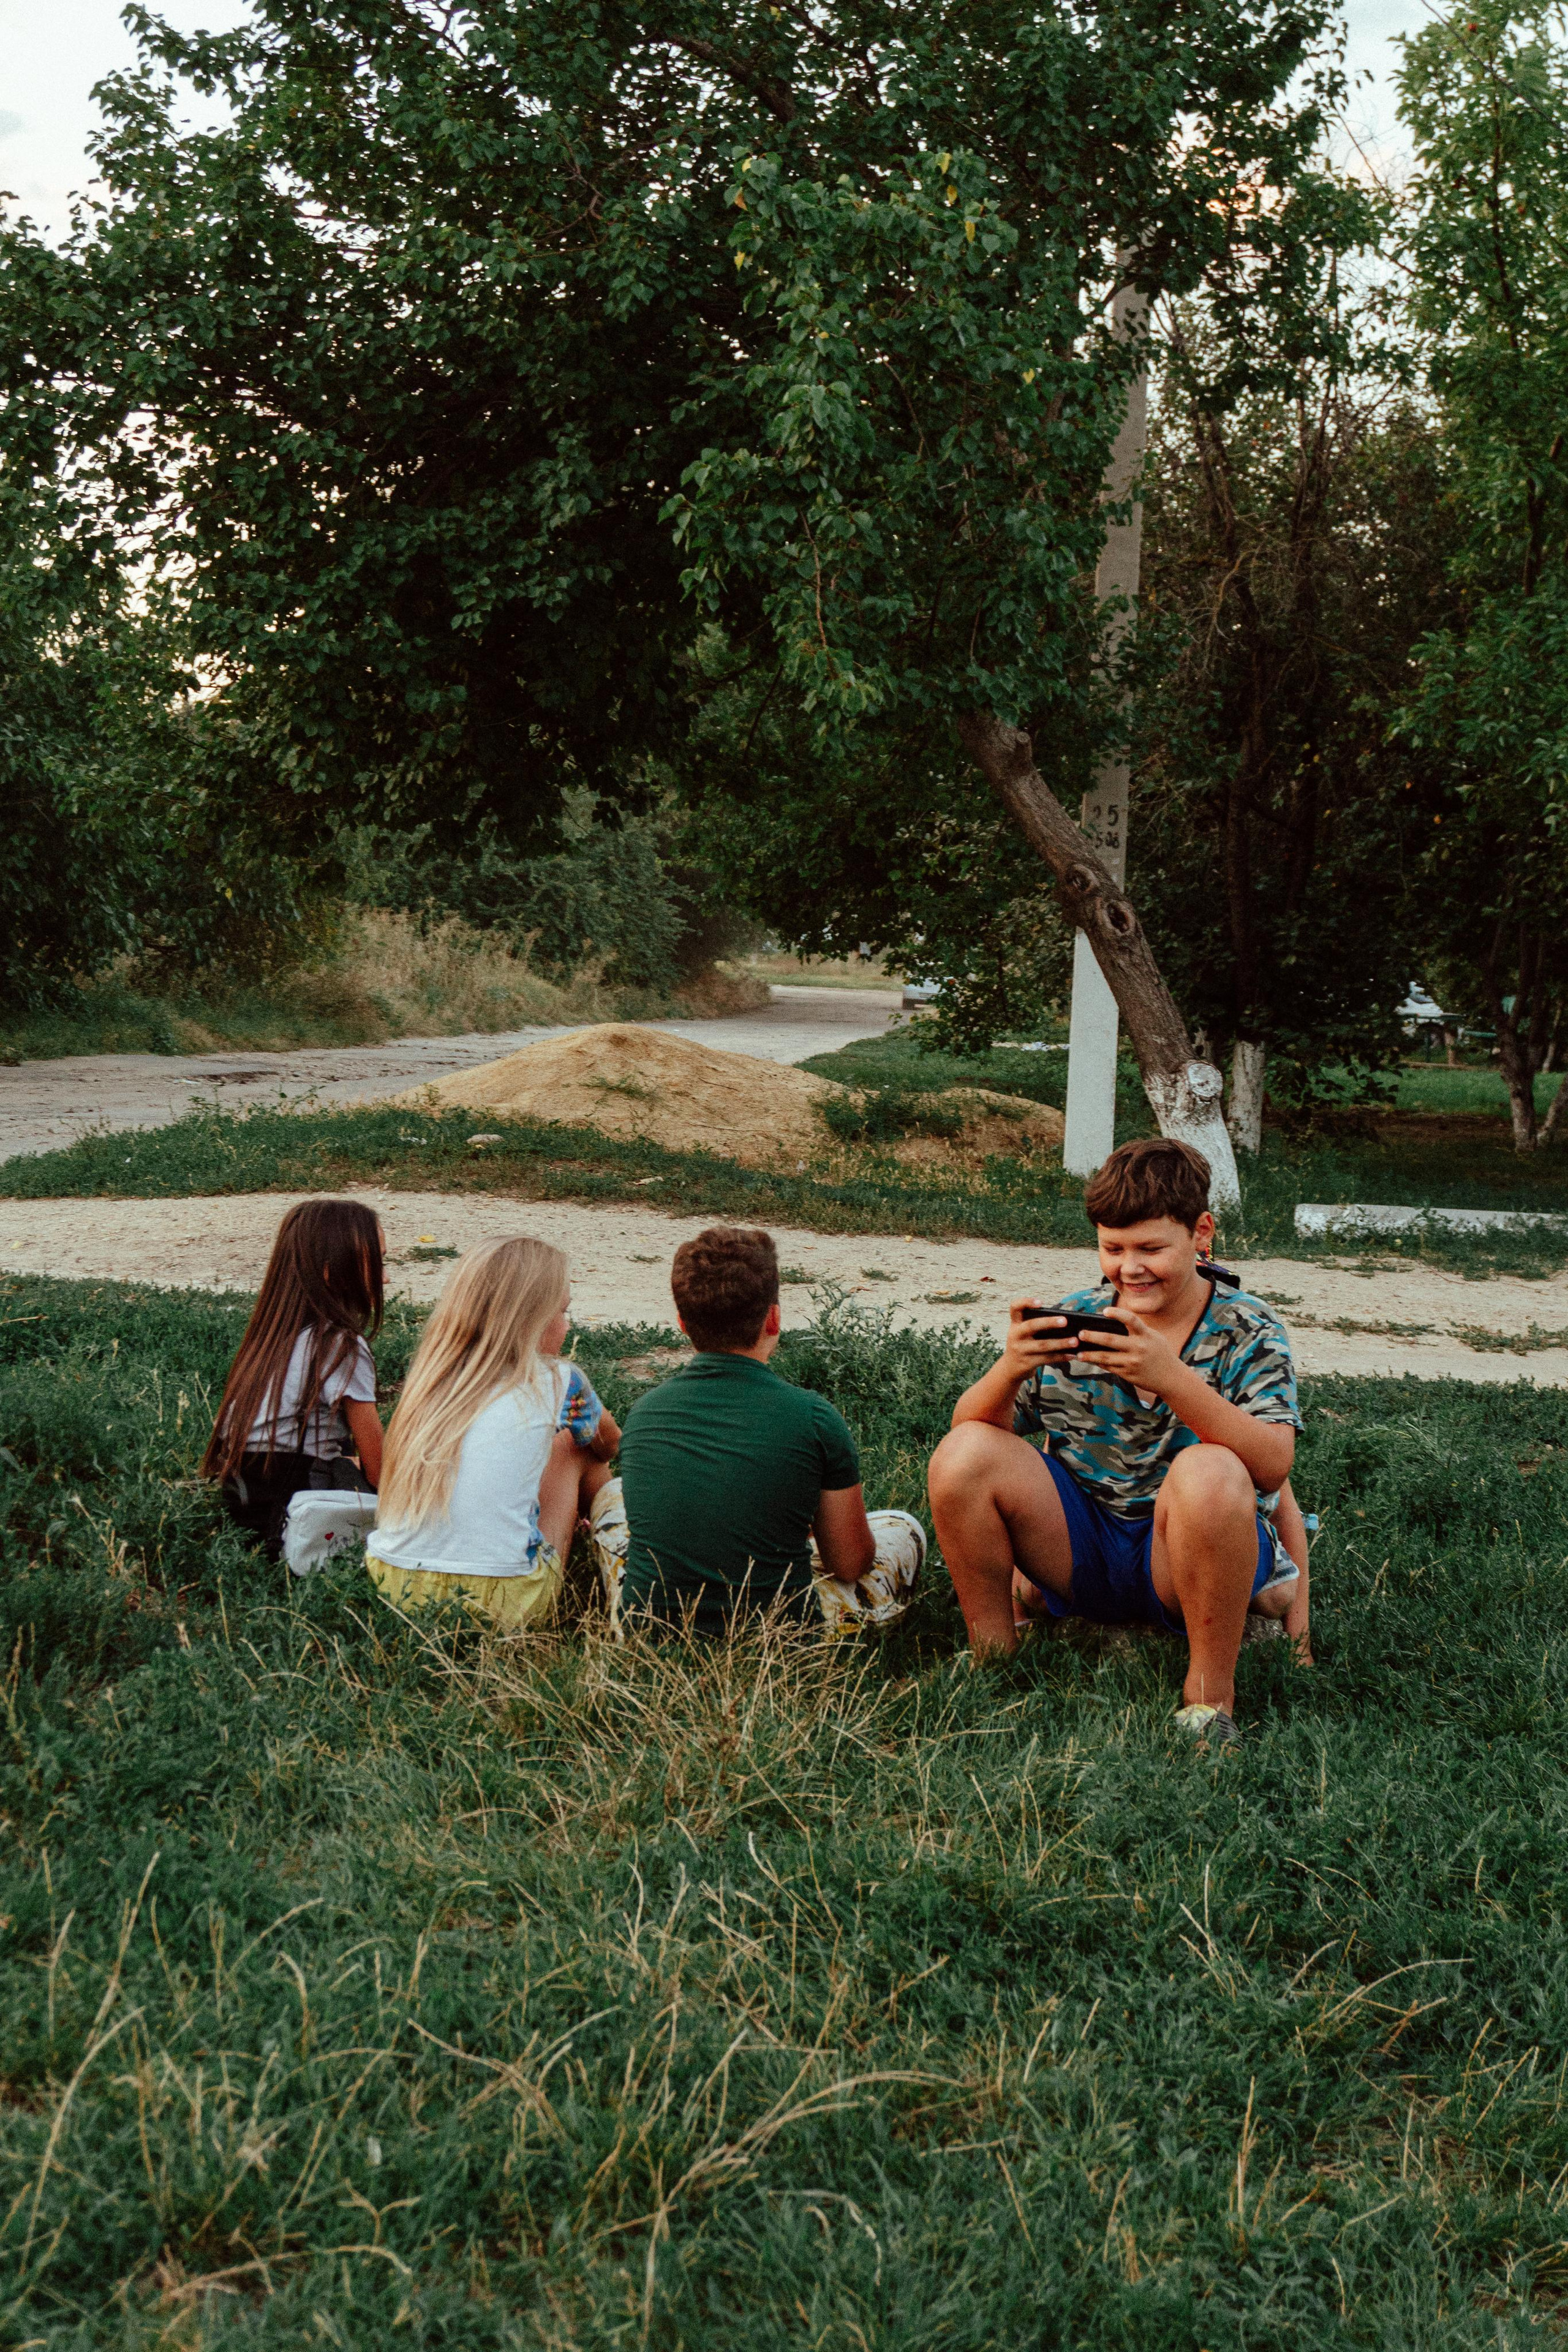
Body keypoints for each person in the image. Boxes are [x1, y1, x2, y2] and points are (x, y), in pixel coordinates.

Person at [927, 1137, 1310, 1747]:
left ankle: (1209, 1702)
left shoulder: (1248, 1327)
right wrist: (1009, 1369)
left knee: (1210, 1470)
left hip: (1182, 1556)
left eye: (1151, 1248)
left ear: (1201, 1234)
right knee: (963, 1454)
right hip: (1083, 1548)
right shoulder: (1078, 1318)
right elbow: (971, 1441)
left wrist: (1172, 1379)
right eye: (1113, 1248)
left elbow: (1272, 1465)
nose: (1129, 1267)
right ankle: (993, 1657)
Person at [595, 1224, 924, 1635]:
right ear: (774, 1318)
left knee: (612, 1494)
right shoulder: (814, 1416)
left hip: (649, 1625)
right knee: (902, 1526)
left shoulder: (645, 1413)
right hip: (779, 1630)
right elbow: (850, 1563)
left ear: (681, 1322)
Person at [368, 1237, 619, 1630]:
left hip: (395, 1584)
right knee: (574, 1447)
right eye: (563, 1312)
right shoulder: (559, 1380)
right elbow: (609, 1443)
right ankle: (619, 1561)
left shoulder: (430, 1378)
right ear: (532, 1321)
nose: (567, 1326)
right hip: (503, 1597)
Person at [203, 1197, 386, 1555]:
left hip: (247, 1520)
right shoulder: (340, 1345)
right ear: (333, 1271)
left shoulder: (273, 1337)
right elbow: (382, 1473)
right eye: (378, 1262)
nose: (386, 1277)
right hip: (292, 1527)